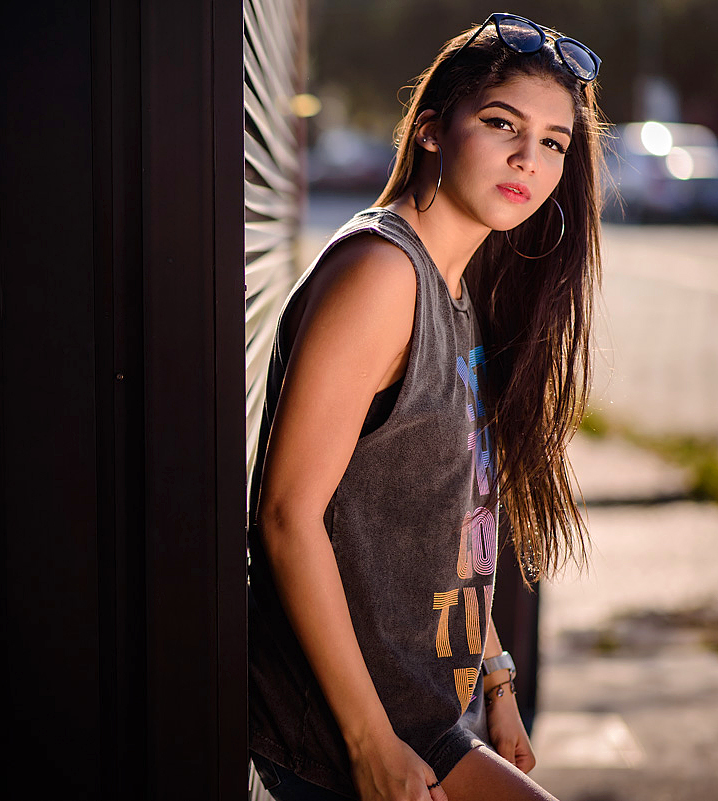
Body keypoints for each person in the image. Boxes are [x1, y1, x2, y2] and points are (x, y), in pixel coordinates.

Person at [247, 13, 606, 801]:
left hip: (427, 717)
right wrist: (370, 744)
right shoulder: (381, 275)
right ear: (433, 130)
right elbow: (285, 516)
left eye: (553, 141)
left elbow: (449, 514)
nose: (529, 158)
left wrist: (497, 671)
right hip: (352, 736)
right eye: (502, 123)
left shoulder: (452, 284)